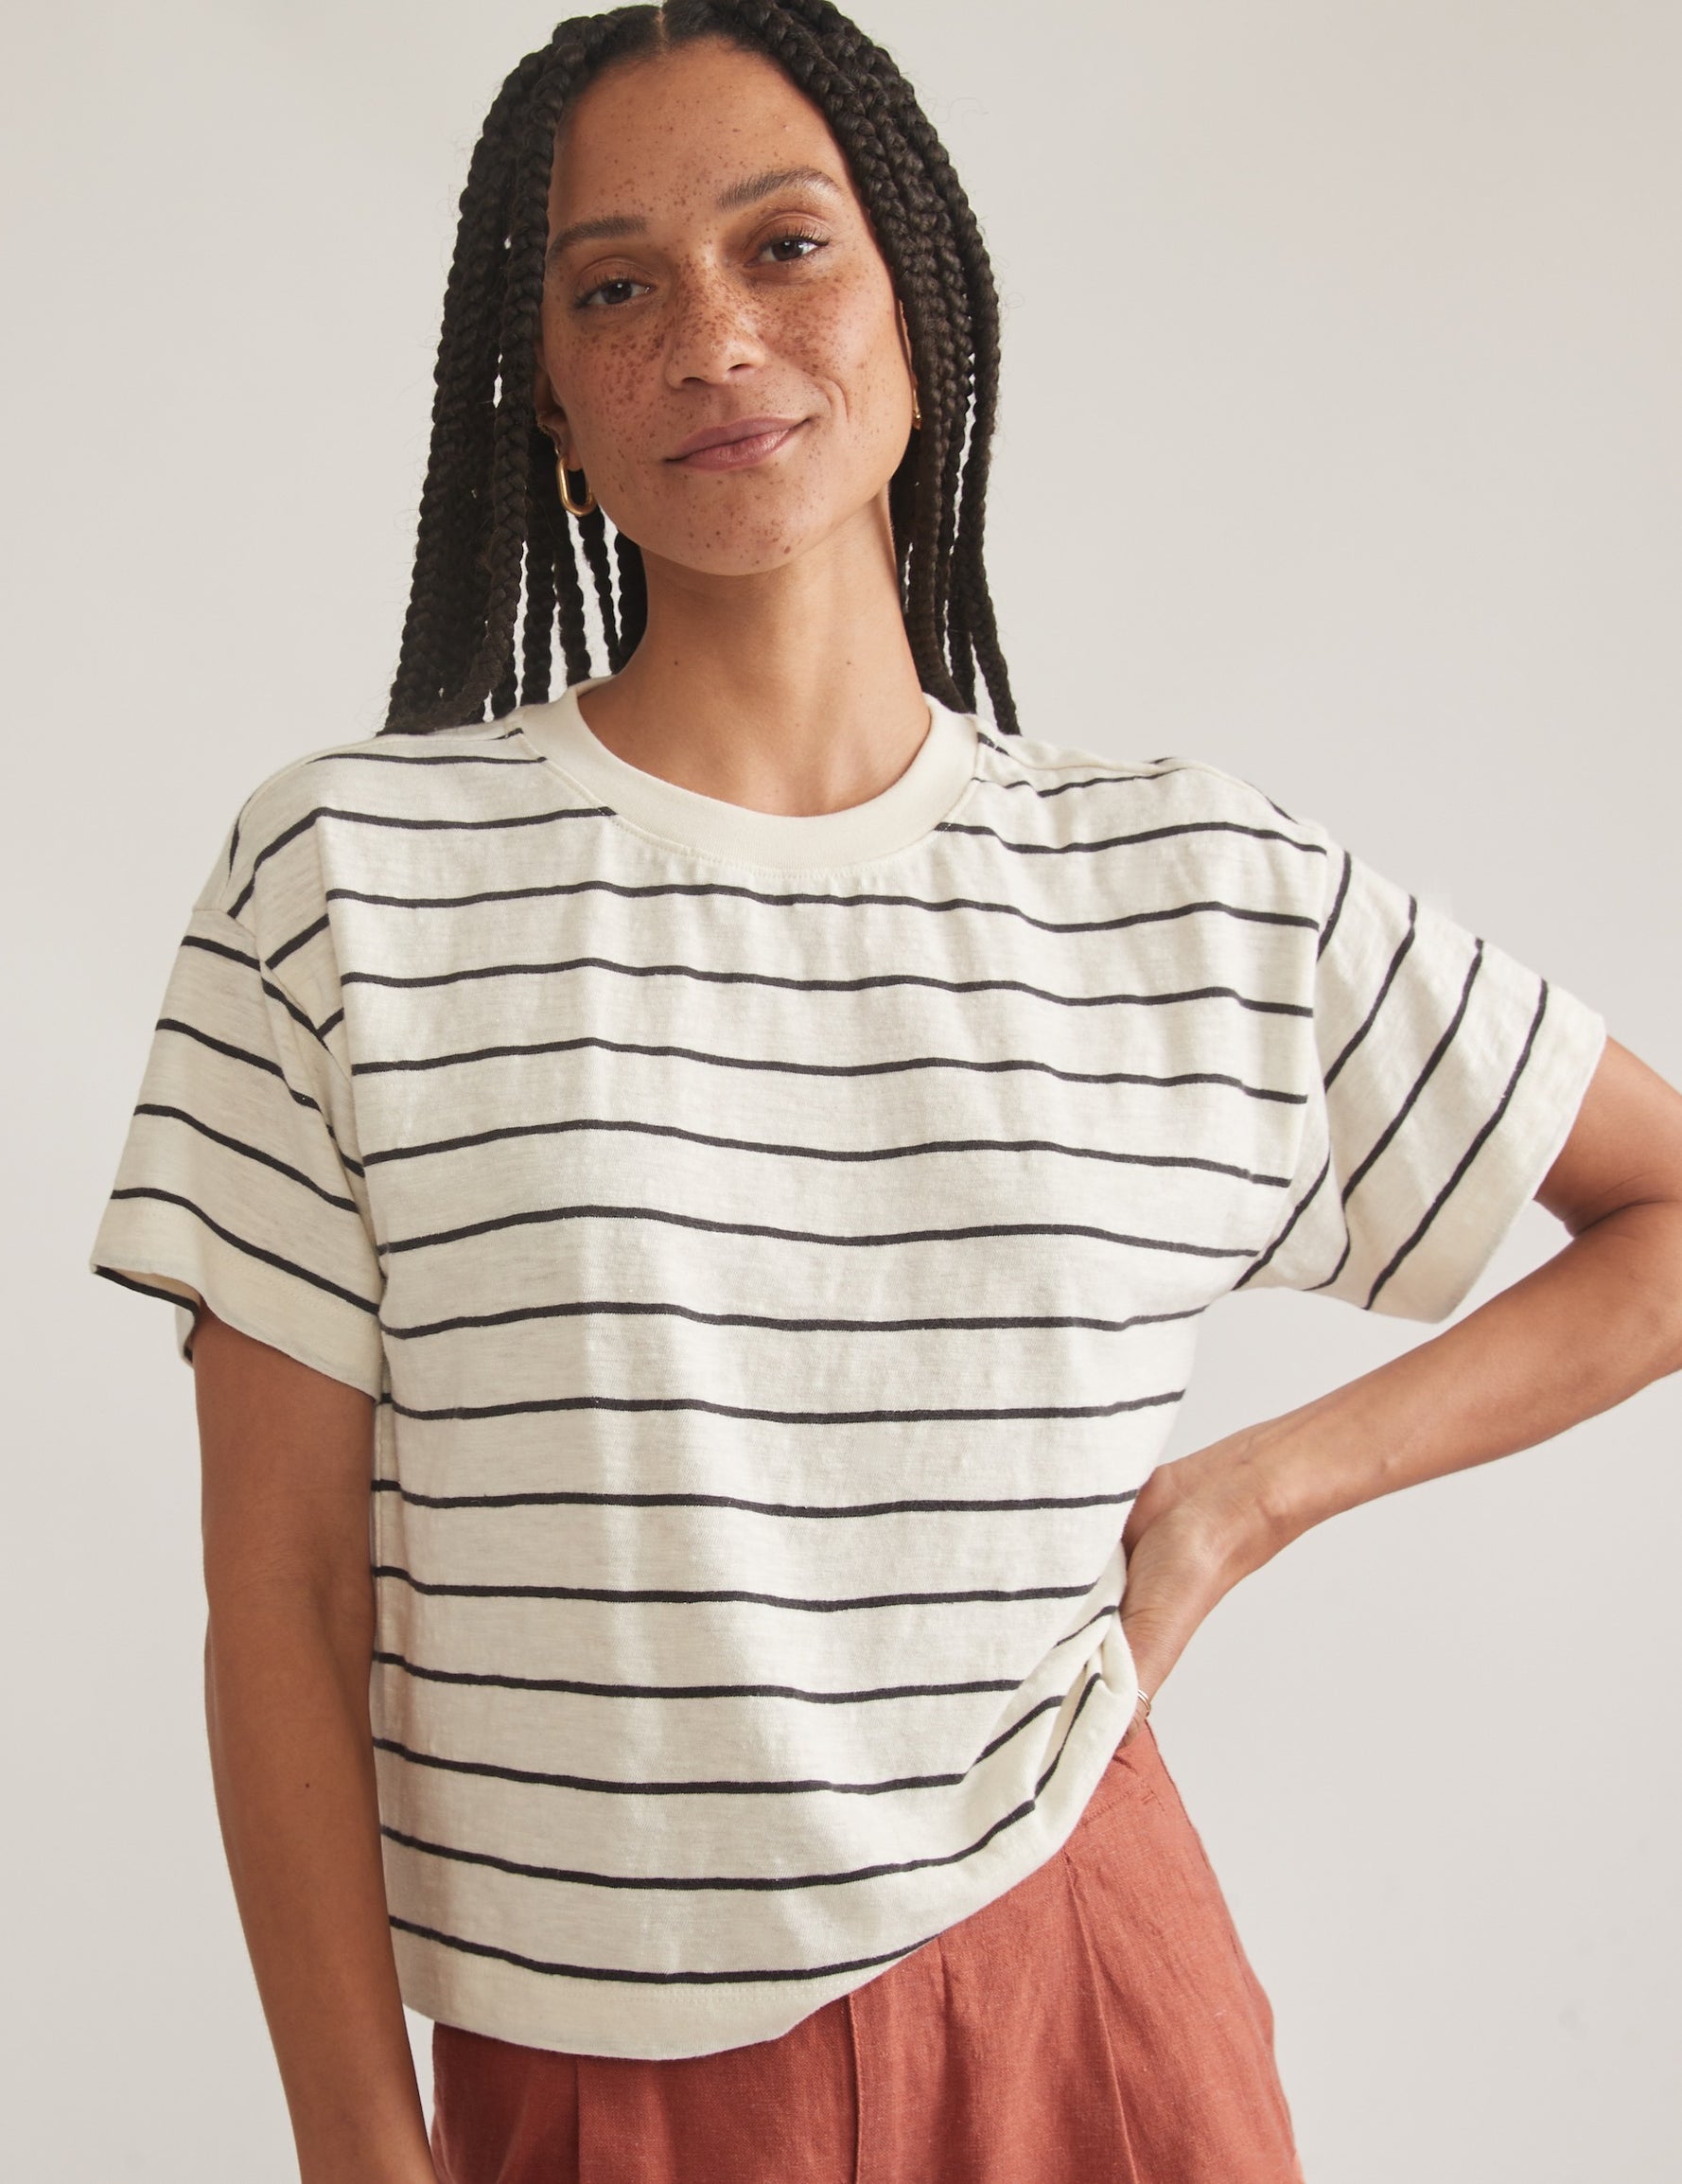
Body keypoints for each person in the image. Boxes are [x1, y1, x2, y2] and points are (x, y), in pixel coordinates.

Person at [89, 5, 1682, 2180]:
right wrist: (360, 2146)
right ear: (543, 396)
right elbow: (279, 1591)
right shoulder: (349, 882)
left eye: (785, 245)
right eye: (614, 287)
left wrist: (1248, 1495)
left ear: (917, 302)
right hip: (605, 2077)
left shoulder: (1189, 880)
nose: (712, 340)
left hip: (1088, 1998)